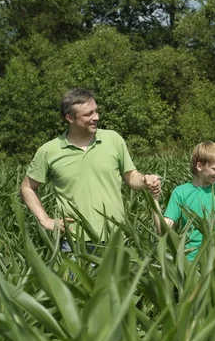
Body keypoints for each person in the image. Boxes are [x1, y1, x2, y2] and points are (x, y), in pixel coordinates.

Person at [20, 88, 161, 246]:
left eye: (96, 111)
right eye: (88, 114)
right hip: (74, 241)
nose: (96, 117)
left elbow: (131, 176)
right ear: (70, 118)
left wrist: (146, 180)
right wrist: (45, 220)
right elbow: (27, 187)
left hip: (117, 236)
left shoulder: (113, 139)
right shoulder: (49, 151)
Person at [152, 141, 215, 261]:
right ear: (199, 166)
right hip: (192, 260)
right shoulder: (181, 192)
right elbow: (163, 229)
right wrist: (153, 199)